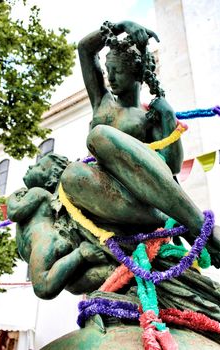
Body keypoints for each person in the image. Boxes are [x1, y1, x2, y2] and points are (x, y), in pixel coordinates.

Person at [60, 20, 220, 267]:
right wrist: (120, 26)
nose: (110, 77)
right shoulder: (101, 101)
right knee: (71, 176)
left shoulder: (149, 117)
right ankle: (184, 224)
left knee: (98, 136)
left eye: (118, 71)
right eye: (108, 69)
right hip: (111, 196)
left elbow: (173, 167)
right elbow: (84, 49)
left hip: (141, 192)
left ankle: (195, 224)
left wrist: (168, 118)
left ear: (136, 74)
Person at [7, 154, 115, 299]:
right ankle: (111, 271)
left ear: (51, 180)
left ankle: (80, 254)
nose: (31, 166)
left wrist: (12, 197)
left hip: (45, 241)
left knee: (43, 287)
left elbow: (14, 212)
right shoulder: (44, 199)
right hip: (51, 245)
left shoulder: (38, 192)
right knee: (72, 285)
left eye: (39, 167)